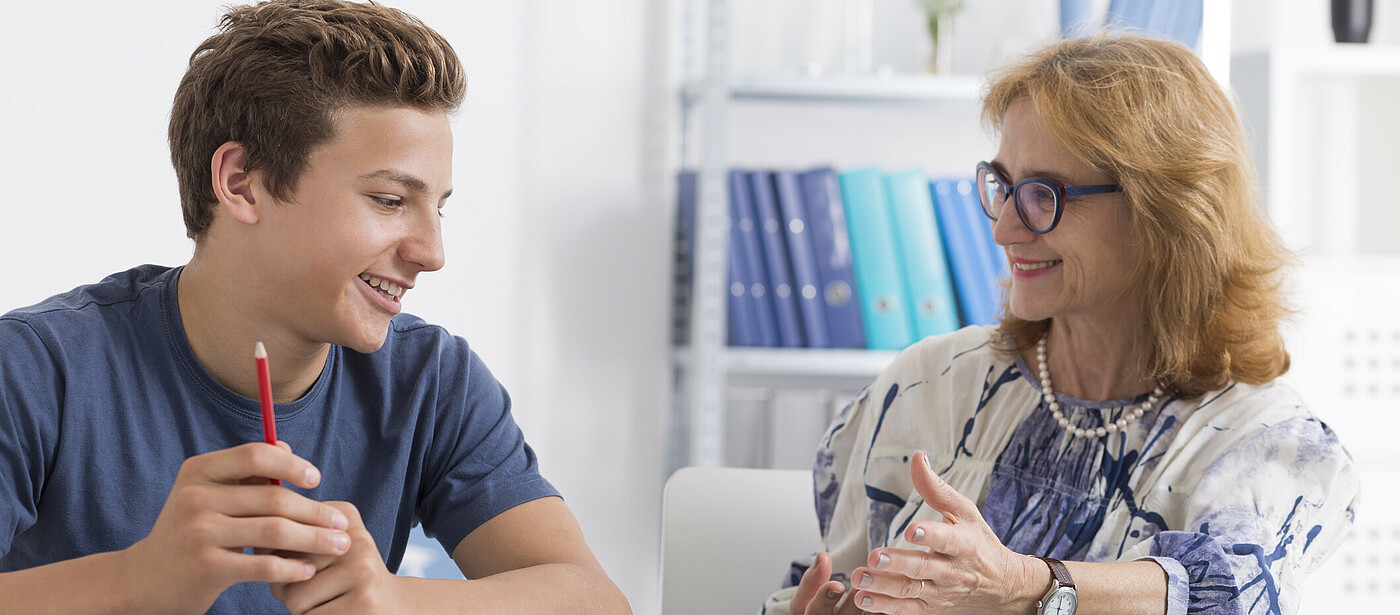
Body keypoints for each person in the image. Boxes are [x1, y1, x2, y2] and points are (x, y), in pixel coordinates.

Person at [0, 1, 630, 614]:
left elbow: (595, 600)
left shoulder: (433, 384)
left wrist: (396, 600)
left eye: (438, 207)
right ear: (242, 182)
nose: (432, 253)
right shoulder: (35, 370)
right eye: (389, 200)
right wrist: (135, 581)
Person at [764, 33, 1358, 615]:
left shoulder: (1264, 439)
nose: (1002, 229)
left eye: (1043, 195)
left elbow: (1229, 595)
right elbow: (819, 582)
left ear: (1166, 214)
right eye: (1002, 186)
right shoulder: (929, 383)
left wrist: (1024, 585)